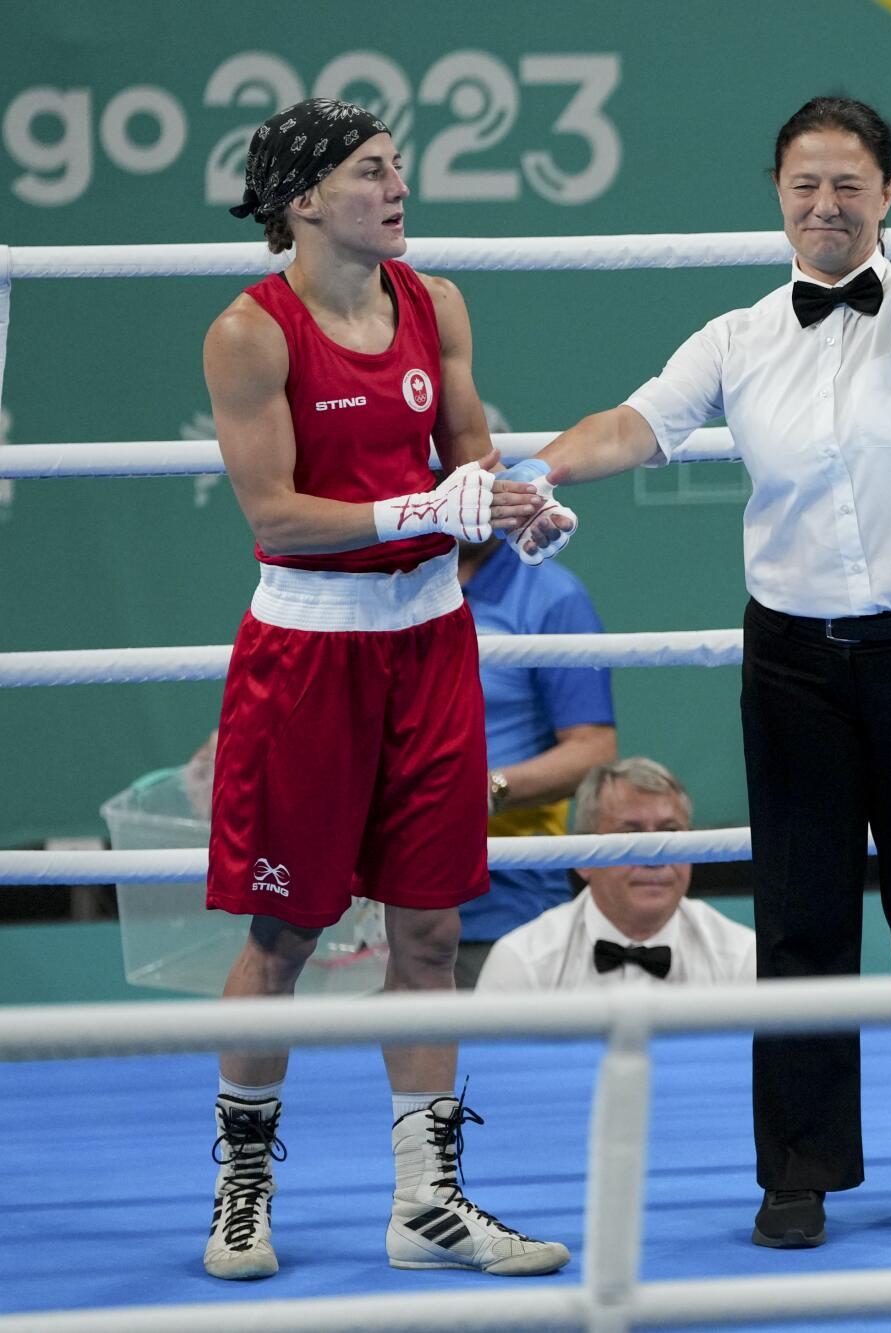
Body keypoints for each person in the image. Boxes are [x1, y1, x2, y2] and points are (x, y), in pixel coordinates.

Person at [493, 22, 891, 1251]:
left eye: (848, 184)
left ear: (883, 195)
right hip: (795, 663)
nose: (826, 203)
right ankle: (798, 1174)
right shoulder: (736, 338)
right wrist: (531, 470)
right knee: (805, 916)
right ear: (777, 196)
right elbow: (633, 425)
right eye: (806, 184)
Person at [199, 97, 568, 1282]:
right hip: (310, 658)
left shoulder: (435, 301)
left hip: (431, 644)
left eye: (398, 166)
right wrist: (427, 509)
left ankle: (429, 1203)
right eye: (371, 171)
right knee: (284, 930)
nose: (399, 186)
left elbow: (469, 456)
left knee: (430, 928)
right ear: (303, 200)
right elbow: (273, 517)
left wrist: (515, 506)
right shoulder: (250, 334)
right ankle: (242, 1182)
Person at [456, 536, 618, 986]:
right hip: (374, 897)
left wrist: (481, 791)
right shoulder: (385, 583)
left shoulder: (553, 596)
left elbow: (593, 751)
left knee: (486, 1053)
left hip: (503, 902)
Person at [475, 757, 754, 991]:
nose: (656, 859)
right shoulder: (521, 962)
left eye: (670, 834)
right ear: (582, 857)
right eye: (630, 836)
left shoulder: (743, 957)